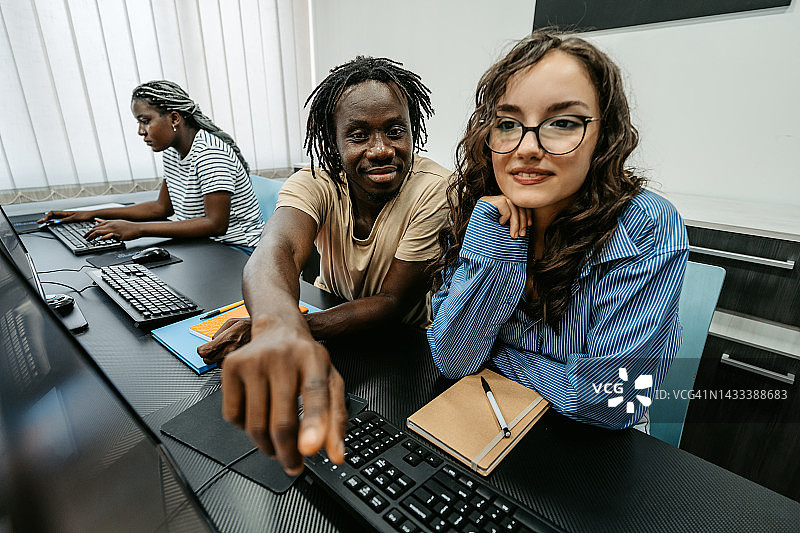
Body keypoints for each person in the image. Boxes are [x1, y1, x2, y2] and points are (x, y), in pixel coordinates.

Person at [427, 31, 689, 430]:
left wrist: (495, 352)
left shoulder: (645, 226)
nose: (527, 147)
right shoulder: (482, 209)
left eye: (562, 122)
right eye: (508, 123)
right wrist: (495, 249)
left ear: (605, 137)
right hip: (487, 416)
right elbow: (453, 359)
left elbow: (610, 401)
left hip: (590, 446)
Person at [208, 57, 450, 474]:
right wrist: (276, 325)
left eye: (396, 131)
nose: (380, 150)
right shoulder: (316, 180)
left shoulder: (435, 190)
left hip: (402, 349)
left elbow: (392, 301)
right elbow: (276, 250)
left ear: (414, 132)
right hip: (329, 322)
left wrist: (294, 328)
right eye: (358, 135)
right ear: (333, 143)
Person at [39, 80, 264, 253]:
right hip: (205, 245)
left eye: (145, 121)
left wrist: (137, 229)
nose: (140, 131)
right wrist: (89, 214)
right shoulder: (172, 151)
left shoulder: (210, 153)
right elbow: (161, 208)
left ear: (174, 118)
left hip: (239, 249)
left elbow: (215, 225)